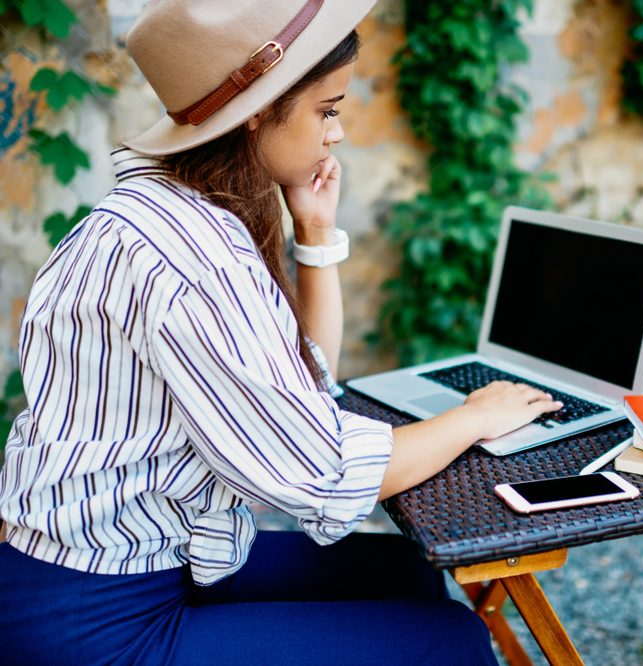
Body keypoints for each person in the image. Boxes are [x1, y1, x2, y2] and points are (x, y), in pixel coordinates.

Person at [0, 1, 563, 663]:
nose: (339, 132)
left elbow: (301, 385)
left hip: (127, 567)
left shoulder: (166, 206)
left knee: (411, 572)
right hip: (97, 623)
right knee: (455, 644)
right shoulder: (197, 260)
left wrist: (316, 235)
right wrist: (474, 417)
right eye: (328, 109)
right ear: (258, 110)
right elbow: (320, 473)